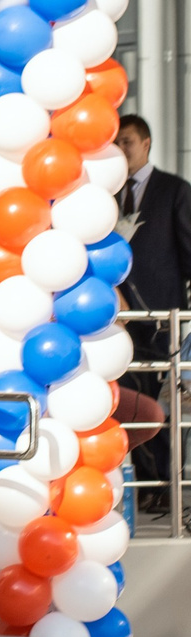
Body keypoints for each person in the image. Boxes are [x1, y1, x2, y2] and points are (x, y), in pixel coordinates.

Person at [113, 114, 191, 512]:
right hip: (115, 318)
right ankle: (142, 481)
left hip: (163, 318)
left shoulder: (175, 191)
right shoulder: (105, 196)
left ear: (146, 144)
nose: (120, 149)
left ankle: (164, 483)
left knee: (162, 401)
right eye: (115, 142)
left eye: (126, 142)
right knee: (128, 398)